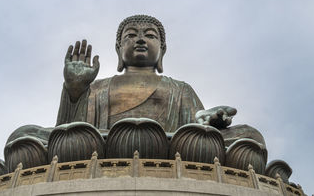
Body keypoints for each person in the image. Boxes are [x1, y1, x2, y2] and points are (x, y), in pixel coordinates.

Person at [56, 15, 238, 133]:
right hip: (103, 144)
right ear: (118, 49)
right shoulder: (97, 88)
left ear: (162, 50)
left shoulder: (180, 89)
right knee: (28, 132)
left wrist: (208, 121)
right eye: (131, 35)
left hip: (170, 146)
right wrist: (75, 89)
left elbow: (196, 128)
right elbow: (69, 130)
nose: (141, 39)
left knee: (249, 135)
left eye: (150, 35)